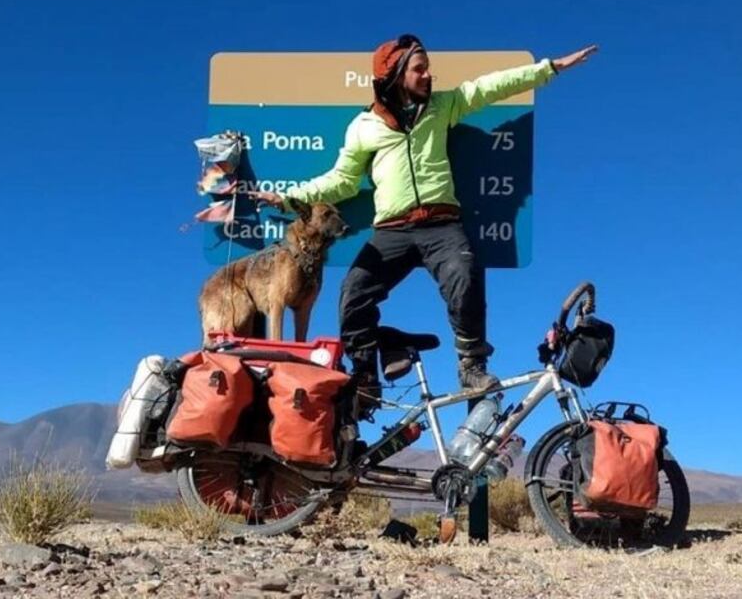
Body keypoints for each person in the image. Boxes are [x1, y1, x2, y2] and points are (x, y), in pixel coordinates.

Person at [251, 35, 597, 416]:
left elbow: (490, 87)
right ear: (396, 76)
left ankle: (472, 366)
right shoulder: (365, 126)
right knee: (353, 293)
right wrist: (287, 197)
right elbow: (342, 181)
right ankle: (365, 377)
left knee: (465, 275)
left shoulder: (441, 106)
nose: (428, 75)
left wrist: (550, 68)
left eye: (427, 67)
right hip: (392, 231)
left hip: (441, 224)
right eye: (419, 69)